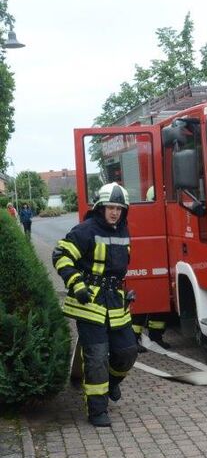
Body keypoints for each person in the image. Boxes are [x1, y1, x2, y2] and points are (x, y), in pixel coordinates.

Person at [52, 182, 137, 427]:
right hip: (89, 303)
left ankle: (110, 384)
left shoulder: (123, 231)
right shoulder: (86, 230)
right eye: (110, 207)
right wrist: (77, 284)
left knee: (127, 352)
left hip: (116, 302)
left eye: (119, 208)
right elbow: (61, 255)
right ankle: (97, 410)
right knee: (97, 357)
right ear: (100, 207)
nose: (115, 212)